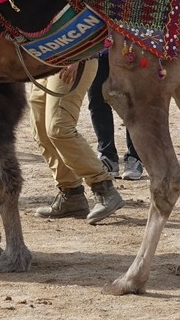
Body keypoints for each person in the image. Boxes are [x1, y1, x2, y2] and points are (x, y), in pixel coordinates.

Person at [29, 60, 125, 224]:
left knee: (59, 127)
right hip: (46, 59)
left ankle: (104, 188)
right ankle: (71, 193)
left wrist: (76, 59)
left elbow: (94, 32)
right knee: (41, 129)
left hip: (73, 57)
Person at [88, 57, 142, 181]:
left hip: (128, 48)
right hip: (98, 50)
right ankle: (107, 156)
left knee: (133, 101)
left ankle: (135, 156)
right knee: (96, 100)